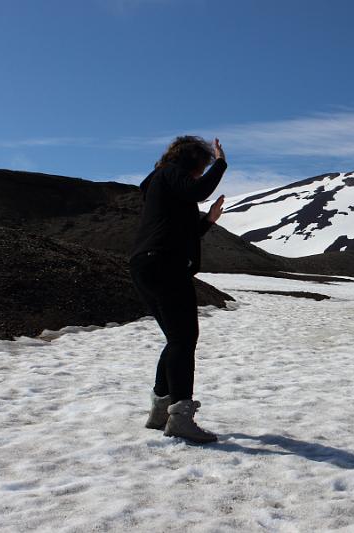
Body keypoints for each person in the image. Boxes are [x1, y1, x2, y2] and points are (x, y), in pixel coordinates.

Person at [130, 135, 227, 444]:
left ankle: (160, 410)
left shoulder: (162, 183)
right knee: (185, 340)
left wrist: (208, 221)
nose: (201, 172)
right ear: (190, 160)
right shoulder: (172, 174)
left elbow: (179, 231)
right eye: (202, 165)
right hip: (165, 266)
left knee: (176, 339)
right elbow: (199, 190)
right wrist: (222, 162)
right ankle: (180, 417)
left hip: (146, 265)